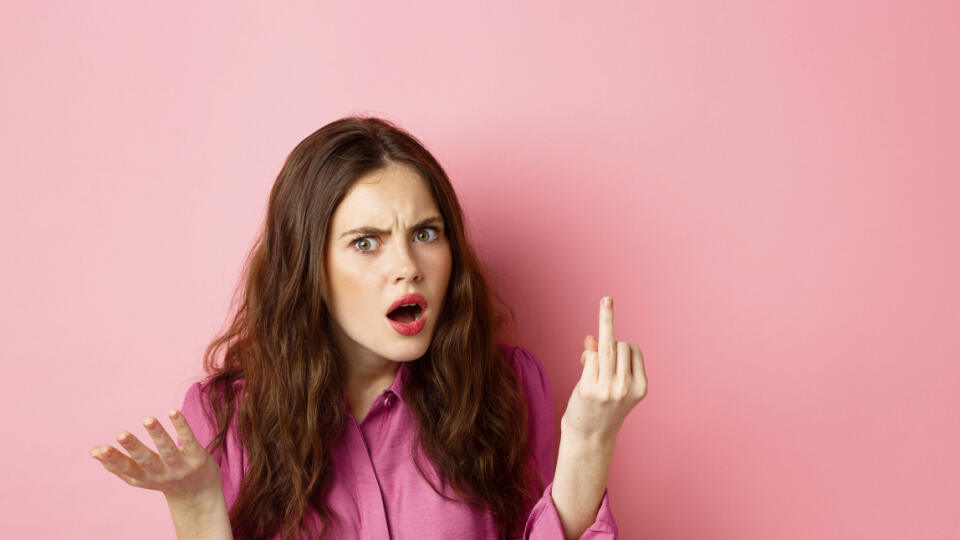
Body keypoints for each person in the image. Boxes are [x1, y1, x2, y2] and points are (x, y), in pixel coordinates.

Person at [89, 116, 648, 539]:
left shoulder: (508, 385)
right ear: (310, 269)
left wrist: (588, 445)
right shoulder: (223, 421)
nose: (407, 265)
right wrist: (196, 505)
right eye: (365, 242)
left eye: (426, 233)